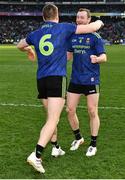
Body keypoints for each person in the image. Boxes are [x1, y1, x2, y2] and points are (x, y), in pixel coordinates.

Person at [17, 3, 104, 173]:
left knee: (51, 116)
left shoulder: (36, 33)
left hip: (41, 79)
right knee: (53, 119)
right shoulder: (64, 28)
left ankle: (56, 147)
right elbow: (93, 26)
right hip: (56, 79)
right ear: (57, 16)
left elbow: (20, 45)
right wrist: (100, 22)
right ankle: (37, 155)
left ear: (43, 17)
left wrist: (29, 50)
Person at [67, 8, 107, 157]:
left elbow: (104, 56)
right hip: (75, 79)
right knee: (70, 110)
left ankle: (93, 144)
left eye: (82, 18)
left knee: (92, 111)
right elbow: (68, 56)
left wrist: (97, 59)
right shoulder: (73, 36)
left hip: (91, 79)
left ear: (88, 20)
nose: (79, 20)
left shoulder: (95, 37)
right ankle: (78, 138)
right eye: (77, 17)